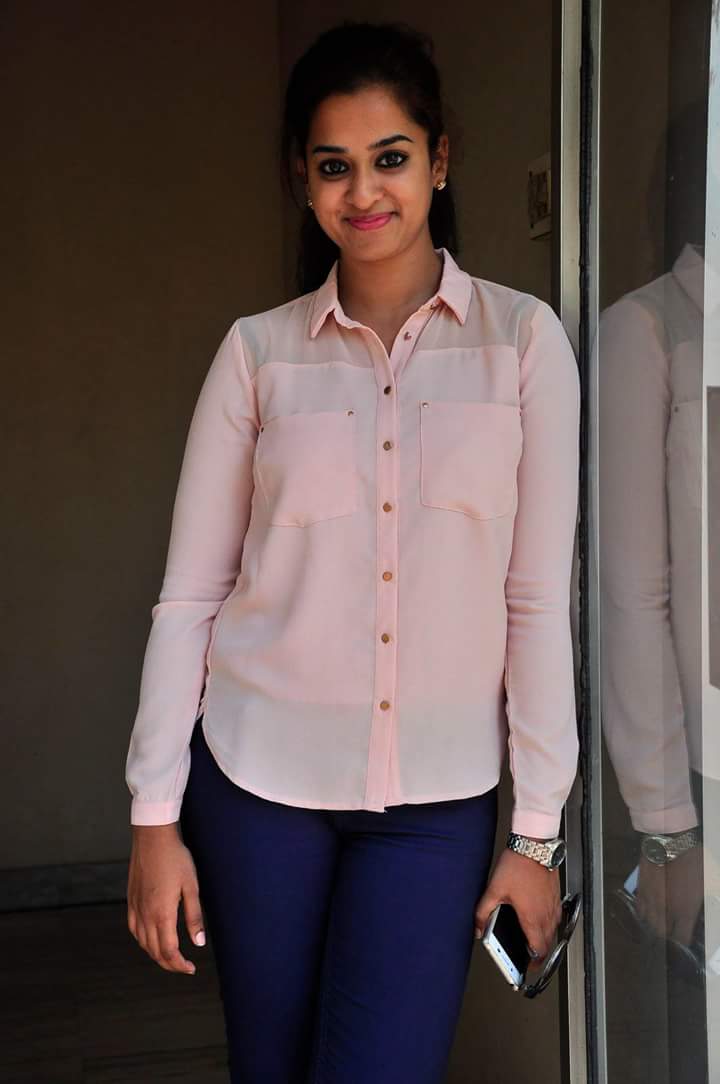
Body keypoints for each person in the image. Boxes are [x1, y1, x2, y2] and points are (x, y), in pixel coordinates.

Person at [125, 20, 581, 1084]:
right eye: (334, 166)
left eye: (391, 158)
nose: (364, 191)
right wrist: (154, 818)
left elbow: (533, 601)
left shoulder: (522, 344)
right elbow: (190, 597)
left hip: (435, 807)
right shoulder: (257, 354)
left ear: (440, 160)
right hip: (256, 788)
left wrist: (537, 835)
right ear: (304, 179)